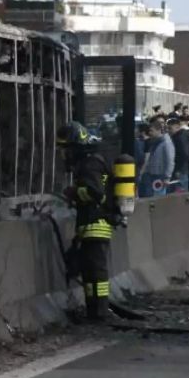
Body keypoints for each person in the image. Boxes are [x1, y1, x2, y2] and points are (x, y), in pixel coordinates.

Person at [57, 122, 114, 321]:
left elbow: (95, 192)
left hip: (95, 223)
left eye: (67, 149)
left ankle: (99, 312)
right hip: (93, 223)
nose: (65, 154)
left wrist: (74, 192)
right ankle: (94, 311)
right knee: (90, 272)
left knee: (96, 272)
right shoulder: (94, 160)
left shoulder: (90, 164)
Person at [139, 121, 174, 198]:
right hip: (152, 174)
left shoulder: (166, 143)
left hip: (160, 176)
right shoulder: (155, 142)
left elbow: (170, 161)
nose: (150, 133)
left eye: (152, 130)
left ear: (159, 130)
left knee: (158, 198)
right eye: (149, 131)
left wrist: (167, 177)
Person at [167, 118, 189, 194]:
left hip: (180, 170)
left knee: (180, 193)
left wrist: (179, 169)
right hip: (180, 169)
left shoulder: (180, 138)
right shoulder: (180, 136)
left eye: (170, 128)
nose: (168, 130)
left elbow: (184, 154)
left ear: (177, 126)